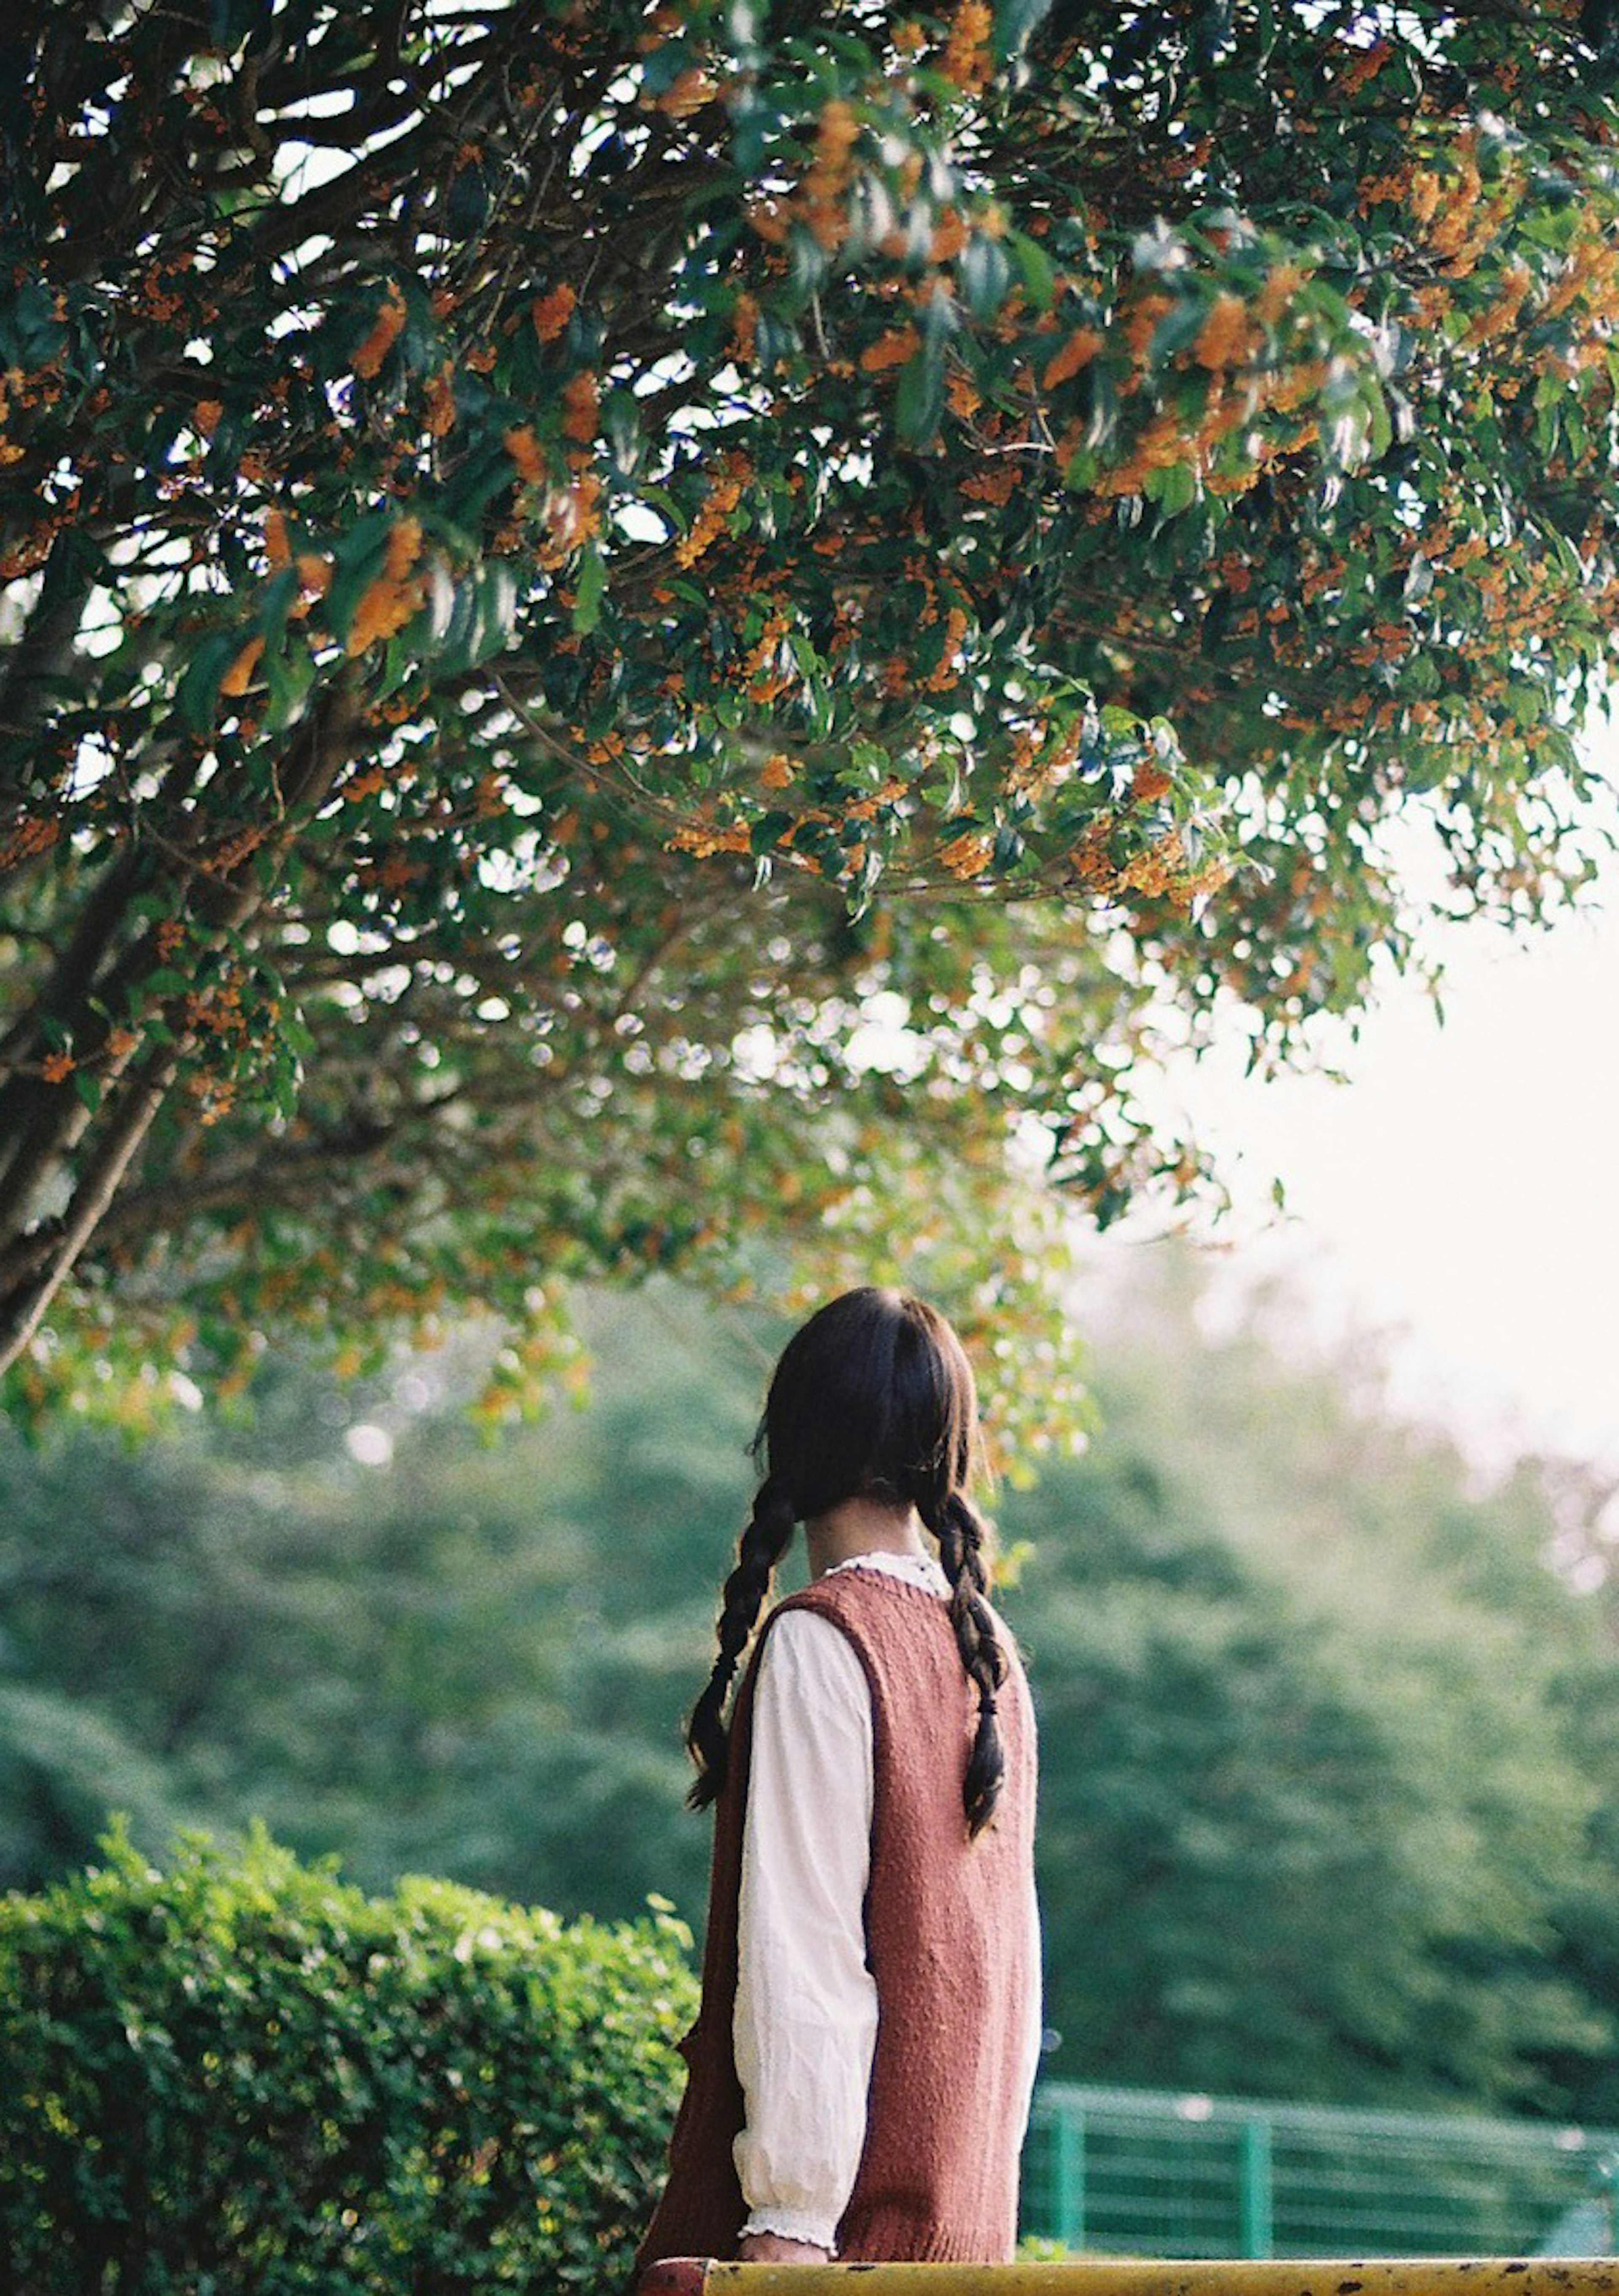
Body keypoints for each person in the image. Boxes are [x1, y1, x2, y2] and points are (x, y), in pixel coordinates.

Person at [635, 1286, 1042, 2273]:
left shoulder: (826, 1637)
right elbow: (1012, 1984)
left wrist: (791, 2219)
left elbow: (807, 1956)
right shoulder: (989, 1658)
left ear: (792, 1434)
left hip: (831, 2244)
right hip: (957, 2226)